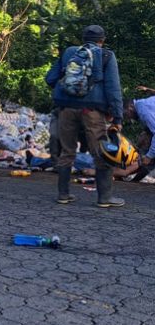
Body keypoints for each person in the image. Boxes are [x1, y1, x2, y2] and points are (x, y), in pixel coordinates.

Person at [45, 25, 125, 207]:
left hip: (66, 108)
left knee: (67, 151)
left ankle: (63, 195)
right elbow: (113, 89)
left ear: (83, 38)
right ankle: (104, 198)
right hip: (93, 111)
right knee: (101, 152)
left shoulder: (70, 53)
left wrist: (70, 89)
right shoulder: (106, 55)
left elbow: (50, 79)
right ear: (102, 40)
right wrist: (118, 117)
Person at [124, 96, 155, 169]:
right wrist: (145, 132)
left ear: (130, 107)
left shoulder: (142, 109)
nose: (128, 118)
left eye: (126, 114)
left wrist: (149, 156)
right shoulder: (141, 105)